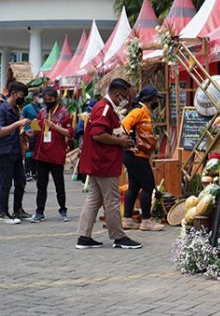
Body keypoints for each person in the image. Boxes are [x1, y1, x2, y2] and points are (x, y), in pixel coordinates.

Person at [76, 78, 142, 249]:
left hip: (98, 162)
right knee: (112, 200)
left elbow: (105, 132)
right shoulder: (104, 108)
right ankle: (118, 237)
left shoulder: (104, 108)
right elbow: (97, 134)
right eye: (125, 96)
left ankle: (84, 237)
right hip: (103, 163)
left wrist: (122, 141)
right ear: (117, 94)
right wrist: (120, 142)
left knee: (94, 199)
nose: (126, 100)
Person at [121, 85, 164, 231]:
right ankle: (146, 221)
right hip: (135, 155)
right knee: (148, 185)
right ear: (150, 99)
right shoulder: (139, 111)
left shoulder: (144, 111)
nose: (157, 102)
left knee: (134, 187)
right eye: (156, 99)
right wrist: (129, 143)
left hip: (134, 155)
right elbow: (124, 125)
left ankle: (127, 220)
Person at [30, 87, 73, 223]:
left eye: (50, 100)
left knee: (59, 184)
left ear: (56, 99)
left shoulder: (64, 113)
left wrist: (54, 126)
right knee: (41, 185)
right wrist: (33, 130)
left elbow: (69, 133)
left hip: (56, 154)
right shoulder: (42, 112)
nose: (47, 102)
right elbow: (37, 129)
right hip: (41, 153)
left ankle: (63, 210)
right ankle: (39, 211)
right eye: (46, 100)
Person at [0, 81, 30, 224]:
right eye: (21, 95)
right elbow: (1, 131)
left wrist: (25, 132)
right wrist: (18, 124)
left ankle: (18, 210)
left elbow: (14, 131)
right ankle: (3, 212)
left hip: (16, 151)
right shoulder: (2, 109)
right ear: (13, 93)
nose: (22, 97)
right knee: (5, 183)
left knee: (21, 182)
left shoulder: (15, 109)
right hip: (5, 151)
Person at [22, 89, 42, 181]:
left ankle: (35, 172)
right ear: (34, 97)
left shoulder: (41, 107)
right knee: (29, 153)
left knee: (36, 153)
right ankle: (26, 172)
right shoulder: (27, 107)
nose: (41, 98)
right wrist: (24, 131)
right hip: (29, 133)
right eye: (39, 96)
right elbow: (21, 120)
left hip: (39, 132)